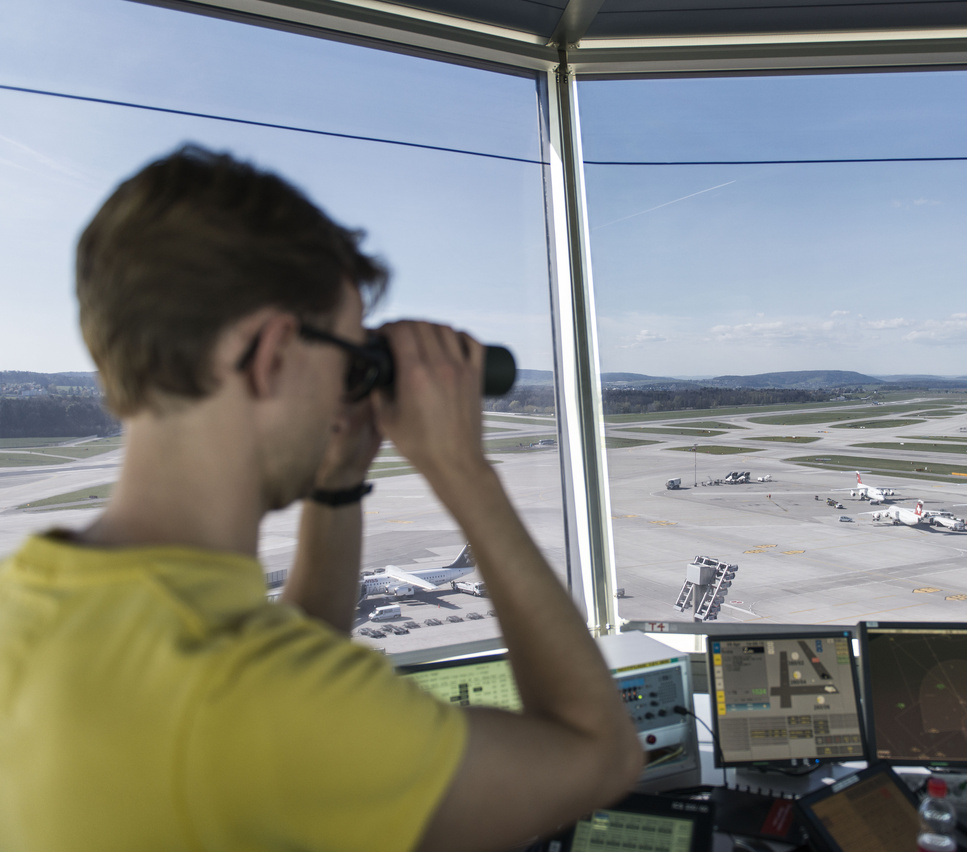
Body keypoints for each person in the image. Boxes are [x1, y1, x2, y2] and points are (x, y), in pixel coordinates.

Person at [0, 145, 643, 851]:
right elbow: (599, 754)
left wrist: (338, 481)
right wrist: (462, 467)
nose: (348, 390)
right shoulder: (253, 705)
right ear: (274, 354)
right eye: (347, 359)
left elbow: (299, 652)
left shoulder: (38, 608)